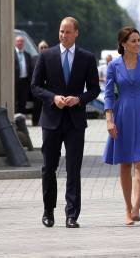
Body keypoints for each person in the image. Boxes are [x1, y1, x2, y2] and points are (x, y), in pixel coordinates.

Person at [31, 17, 100, 228]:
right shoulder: (46, 56)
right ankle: (48, 211)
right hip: (51, 120)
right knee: (48, 168)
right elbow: (35, 86)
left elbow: (95, 89)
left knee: (73, 169)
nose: (63, 35)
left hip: (75, 121)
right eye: (61, 31)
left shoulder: (87, 58)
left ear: (76, 33)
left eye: (68, 31)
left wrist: (79, 99)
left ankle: (72, 215)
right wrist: (53, 98)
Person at [103, 27, 140, 225]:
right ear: (123, 43)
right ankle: (127, 209)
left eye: (139, 40)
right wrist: (109, 119)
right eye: (134, 41)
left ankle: (137, 206)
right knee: (125, 162)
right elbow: (109, 94)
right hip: (122, 114)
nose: (138, 44)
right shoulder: (113, 66)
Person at [14, 36, 34, 115]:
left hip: (25, 82)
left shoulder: (27, 55)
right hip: (15, 82)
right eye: (18, 41)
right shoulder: (11, 54)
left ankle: (21, 121)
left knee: (23, 102)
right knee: (14, 101)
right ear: (15, 43)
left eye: (22, 41)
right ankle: (14, 119)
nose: (20, 43)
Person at [31, 40, 49, 126]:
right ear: (38, 49)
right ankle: (36, 121)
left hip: (49, 86)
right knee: (37, 104)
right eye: (42, 47)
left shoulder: (51, 58)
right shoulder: (34, 59)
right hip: (38, 86)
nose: (43, 49)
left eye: (45, 47)